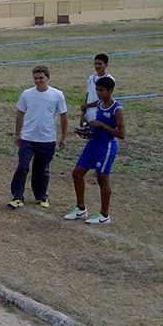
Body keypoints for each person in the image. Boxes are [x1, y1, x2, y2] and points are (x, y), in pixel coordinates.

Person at [66, 77, 124, 224]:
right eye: (97, 90)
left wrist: (101, 125)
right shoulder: (99, 103)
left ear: (110, 91)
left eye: (102, 90)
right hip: (93, 143)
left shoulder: (117, 109)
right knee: (77, 173)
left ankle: (104, 215)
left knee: (102, 178)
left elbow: (121, 134)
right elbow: (87, 105)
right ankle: (81, 209)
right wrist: (87, 124)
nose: (99, 93)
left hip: (106, 145)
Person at [8, 66, 68, 209]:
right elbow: (20, 113)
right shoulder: (27, 94)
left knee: (42, 170)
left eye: (41, 78)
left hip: (47, 139)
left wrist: (63, 138)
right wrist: (18, 133)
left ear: (48, 78)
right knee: (22, 166)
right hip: (28, 139)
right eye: (35, 78)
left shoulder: (57, 95)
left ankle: (41, 196)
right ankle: (17, 196)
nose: (38, 81)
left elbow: (64, 117)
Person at [80, 54, 114, 129]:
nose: (97, 66)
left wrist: (88, 105)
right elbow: (88, 95)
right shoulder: (91, 78)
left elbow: (105, 100)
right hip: (90, 114)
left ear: (106, 65)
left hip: (101, 115)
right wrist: (83, 113)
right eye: (95, 64)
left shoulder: (109, 80)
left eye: (100, 64)